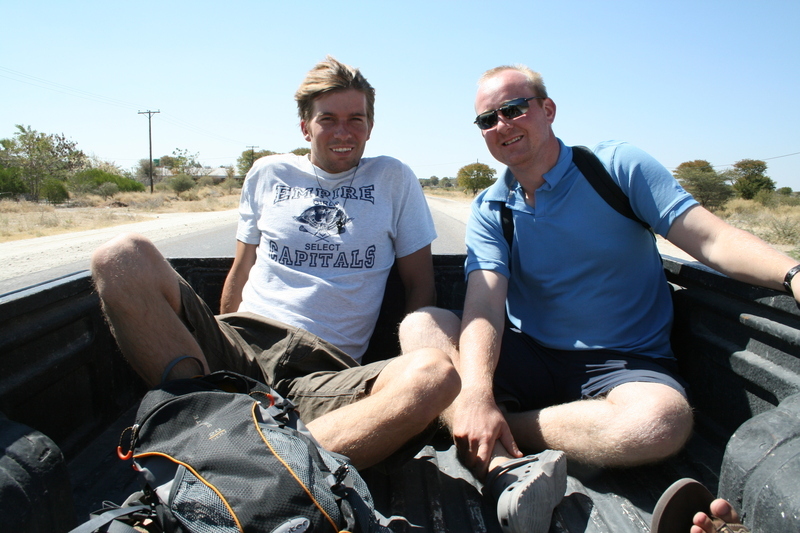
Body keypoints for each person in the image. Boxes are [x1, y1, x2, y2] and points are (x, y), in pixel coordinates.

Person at [399, 63, 800, 531]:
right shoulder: (491, 207)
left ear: (547, 110)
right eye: (487, 119)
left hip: (625, 362)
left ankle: (494, 432)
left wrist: (791, 273)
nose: (501, 125)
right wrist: (476, 391)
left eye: (513, 109)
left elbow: (710, 239)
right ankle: (490, 449)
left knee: (660, 423)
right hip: (530, 354)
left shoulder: (615, 168)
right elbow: (485, 305)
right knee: (420, 324)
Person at [91, 56, 460, 471]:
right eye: (328, 119)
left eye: (356, 119)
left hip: (323, 373)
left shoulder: (393, 178)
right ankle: (219, 423)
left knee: (435, 376)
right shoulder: (268, 172)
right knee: (119, 257)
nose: (344, 131)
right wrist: (220, 335)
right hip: (242, 345)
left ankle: (236, 465)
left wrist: (391, 372)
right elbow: (242, 270)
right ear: (305, 126)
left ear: (371, 126)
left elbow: (420, 286)